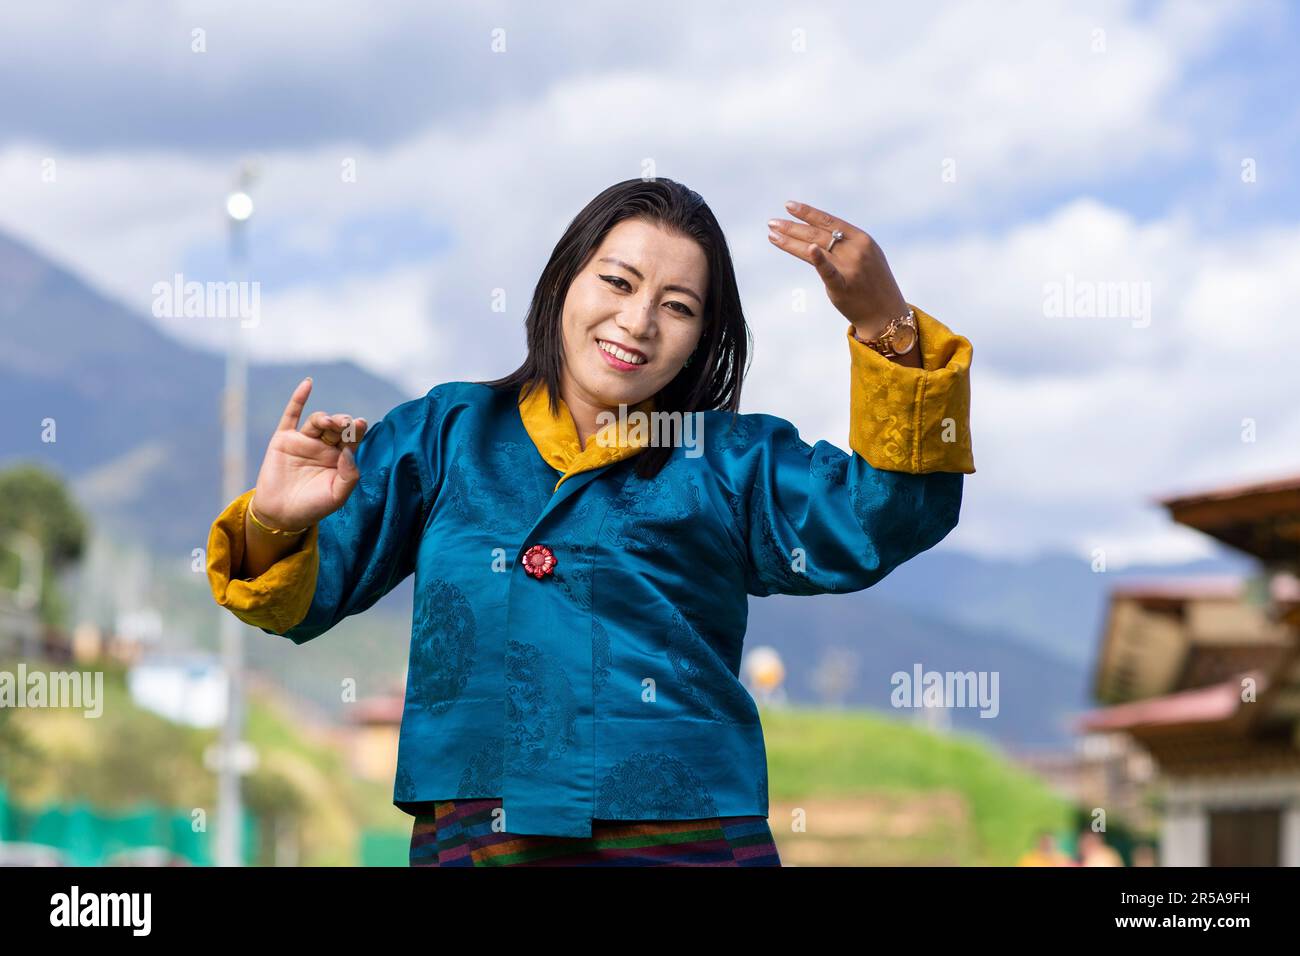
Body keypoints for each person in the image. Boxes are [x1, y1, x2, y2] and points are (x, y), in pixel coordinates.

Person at [206, 178, 975, 866]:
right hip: (476, 838)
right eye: (617, 281)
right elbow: (298, 602)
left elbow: (884, 519)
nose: (638, 321)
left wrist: (886, 323)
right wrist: (275, 521)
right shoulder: (444, 434)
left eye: (678, 307)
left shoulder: (729, 460)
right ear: (562, 284)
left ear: (704, 340)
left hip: (688, 841)